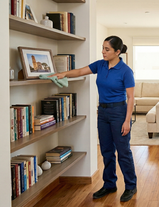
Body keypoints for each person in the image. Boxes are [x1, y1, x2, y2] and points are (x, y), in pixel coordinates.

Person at [49, 36, 137, 202]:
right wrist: (63, 74)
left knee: (123, 152)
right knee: (106, 151)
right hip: (102, 113)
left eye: (107, 49)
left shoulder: (126, 71)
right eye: (102, 48)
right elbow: (81, 71)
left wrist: (127, 121)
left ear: (117, 52)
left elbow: (131, 97)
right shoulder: (100, 65)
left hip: (119, 112)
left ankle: (131, 186)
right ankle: (110, 184)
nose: (103, 52)